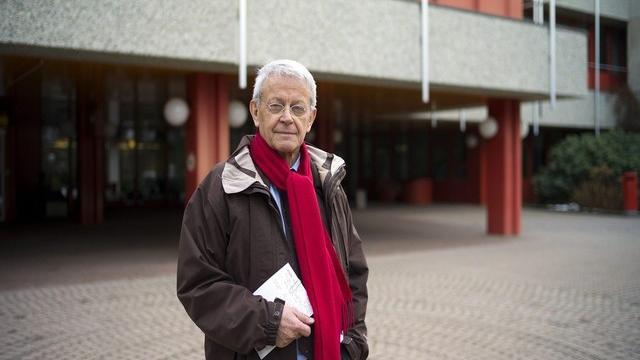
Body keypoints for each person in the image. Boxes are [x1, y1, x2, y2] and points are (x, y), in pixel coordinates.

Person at [177, 59, 369, 360]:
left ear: (311, 118)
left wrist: (353, 344)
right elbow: (198, 284)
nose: (287, 118)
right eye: (276, 106)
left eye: (297, 108)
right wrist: (266, 322)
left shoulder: (329, 186)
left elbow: (354, 274)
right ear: (256, 112)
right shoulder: (222, 186)